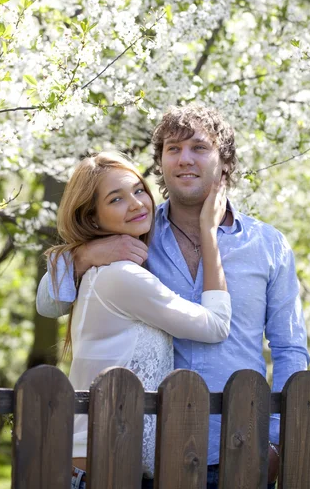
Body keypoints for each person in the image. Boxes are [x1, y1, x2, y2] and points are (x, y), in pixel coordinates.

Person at [37, 105, 310, 489]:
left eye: (199, 148)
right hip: (148, 459)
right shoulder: (135, 232)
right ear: (160, 163)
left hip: (239, 451)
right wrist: (83, 256)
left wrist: (277, 443)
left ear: (224, 161)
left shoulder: (269, 246)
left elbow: (289, 348)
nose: (184, 159)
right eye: (173, 149)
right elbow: (50, 303)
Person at [44, 151, 232, 489]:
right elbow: (215, 326)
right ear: (93, 217)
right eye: (116, 199)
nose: (135, 204)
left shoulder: (113, 271)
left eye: (138, 190)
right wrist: (208, 231)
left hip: (115, 467)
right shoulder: (120, 277)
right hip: (103, 470)